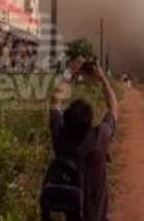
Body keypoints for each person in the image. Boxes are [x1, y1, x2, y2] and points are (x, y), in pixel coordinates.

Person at [44, 56, 118, 221]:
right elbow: (113, 108)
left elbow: (55, 102)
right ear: (90, 121)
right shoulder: (99, 137)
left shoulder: (60, 136)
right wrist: (103, 79)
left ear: (66, 119)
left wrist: (69, 71)